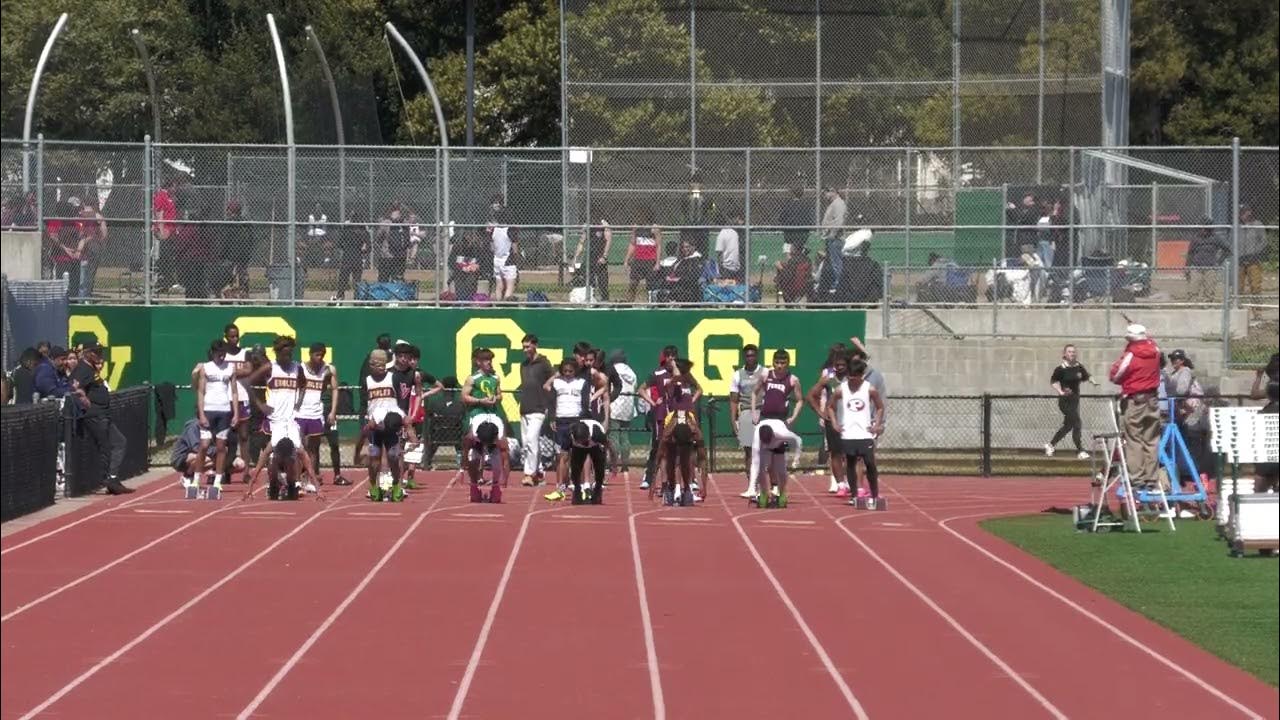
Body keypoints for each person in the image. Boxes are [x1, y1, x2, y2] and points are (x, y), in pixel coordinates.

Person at [244, 336, 317, 489]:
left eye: (290, 354)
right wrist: (260, 404)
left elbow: (304, 385)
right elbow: (248, 383)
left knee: (296, 452)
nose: (287, 358)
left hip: (290, 419)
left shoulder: (297, 368)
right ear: (277, 353)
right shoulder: (270, 367)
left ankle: (294, 482)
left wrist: (299, 403)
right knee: (271, 454)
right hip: (273, 418)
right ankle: (273, 482)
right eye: (284, 354)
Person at [69, 343, 134, 494]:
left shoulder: (91, 369)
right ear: (88, 354)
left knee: (119, 442)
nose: (100, 354)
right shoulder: (82, 369)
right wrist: (86, 402)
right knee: (106, 446)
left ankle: (112, 478)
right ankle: (108, 480)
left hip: (103, 414)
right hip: (95, 415)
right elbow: (75, 387)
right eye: (96, 352)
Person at [543, 356, 606, 501]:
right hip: (561, 420)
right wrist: (552, 417)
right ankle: (560, 489)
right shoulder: (557, 383)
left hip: (577, 420)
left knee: (583, 456)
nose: (567, 373)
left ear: (575, 371)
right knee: (562, 456)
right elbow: (551, 400)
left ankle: (585, 486)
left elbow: (599, 390)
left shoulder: (582, 383)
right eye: (564, 370)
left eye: (570, 371)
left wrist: (585, 417)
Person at [1108, 324, 1163, 490]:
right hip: (1153, 399)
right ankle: (1152, 478)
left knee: (1134, 440)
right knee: (1152, 440)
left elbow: (1115, 375)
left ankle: (1137, 478)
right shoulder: (1156, 350)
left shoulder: (1131, 354)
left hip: (1135, 399)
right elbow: (1153, 346)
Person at [827, 359, 886, 506]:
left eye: (855, 376)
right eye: (850, 376)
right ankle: (854, 495)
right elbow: (830, 407)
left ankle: (874, 494)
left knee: (870, 463)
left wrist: (876, 424)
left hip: (865, 433)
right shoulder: (842, 389)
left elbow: (880, 407)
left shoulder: (869, 389)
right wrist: (835, 423)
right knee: (851, 464)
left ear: (862, 375)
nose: (852, 379)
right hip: (848, 433)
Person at [194, 339, 240, 490]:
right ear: (213, 353)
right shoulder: (205, 368)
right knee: (204, 445)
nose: (222, 357)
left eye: (223, 354)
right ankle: (196, 479)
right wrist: (201, 413)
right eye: (219, 354)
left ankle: (218, 481)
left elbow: (234, 391)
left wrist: (236, 413)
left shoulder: (230, 368)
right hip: (208, 409)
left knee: (221, 447)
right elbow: (200, 391)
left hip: (224, 411)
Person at [363, 349, 406, 502]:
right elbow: (364, 404)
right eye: (377, 364)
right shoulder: (367, 380)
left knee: (393, 457)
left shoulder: (393, 378)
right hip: (374, 426)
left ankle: (396, 486)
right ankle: (374, 486)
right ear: (371, 365)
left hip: (390, 424)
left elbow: (402, 402)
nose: (381, 367)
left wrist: (401, 419)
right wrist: (366, 420)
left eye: (383, 364)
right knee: (374, 459)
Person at [806, 346, 849, 496]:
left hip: (850, 421)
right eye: (837, 365)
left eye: (843, 365)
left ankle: (851, 481)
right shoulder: (828, 380)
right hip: (833, 421)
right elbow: (810, 396)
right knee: (835, 453)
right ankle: (839, 483)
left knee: (850, 454)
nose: (840, 368)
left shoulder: (853, 379)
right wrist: (821, 413)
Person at [297, 342, 340, 486]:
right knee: (300, 448)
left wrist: (333, 412)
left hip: (316, 413)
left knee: (313, 448)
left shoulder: (327, 370)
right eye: (317, 354)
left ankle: (310, 479)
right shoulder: (301, 368)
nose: (320, 357)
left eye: (322, 355)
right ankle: (297, 480)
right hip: (300, 412)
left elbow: (335, 389)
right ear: (310, 354)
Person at [1046, 344, 1097, 460]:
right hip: (1065, 401)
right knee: (1077, 423)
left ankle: (1050, 445)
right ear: (1064, 354)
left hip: (1075, 401)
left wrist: (1093, 381)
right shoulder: (1061, 369)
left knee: (1068, 426)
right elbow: (1053, 381)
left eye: (1074, 352)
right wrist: (1060, 391)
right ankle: (1080, 450)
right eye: (1069, 352)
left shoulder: (1079, 367)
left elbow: (1086, 375)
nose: (1072, 354)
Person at [731, 344, 768, 497]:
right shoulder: (738, 375)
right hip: (746, 413)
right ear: (744, 357)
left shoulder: (765, 372)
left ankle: (766, 485)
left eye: (753, 355)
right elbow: (733, 399)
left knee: (764, 451)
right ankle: (751, 486)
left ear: (757, 356)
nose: (750, 358)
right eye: (748, 355)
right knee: (748, 451)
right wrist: (734, 421)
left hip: (763, 412)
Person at [517, 334, 554, 486]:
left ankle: (529, 474)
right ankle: (539, 472)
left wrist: (549, 405)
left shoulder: (544, 363)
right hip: (525, 407)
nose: (525, 350)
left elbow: (553, 380)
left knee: (532, 440)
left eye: (528, 346)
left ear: (535, 345)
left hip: (539, 408)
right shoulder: (523, 365)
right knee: (526, 443)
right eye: (523, 347)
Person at [171, 417, 246, 486]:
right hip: (182, 457)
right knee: (207, 458)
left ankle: (217, 474)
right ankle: (188, 475)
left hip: (210, 453)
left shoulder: (219, 426)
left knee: (240, 464)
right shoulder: (193, 427)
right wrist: (219, 451)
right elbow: (196, 447)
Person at [748, 421, 803, 508]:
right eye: (765, 441)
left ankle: (782, 492)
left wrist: (796, 460)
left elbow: (798, 440)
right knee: (761, 469)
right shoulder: (757, 440)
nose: (767, 443)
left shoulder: (782, 434)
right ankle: (764, 493)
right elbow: (755, 463)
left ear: (773, 435)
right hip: (764, 449)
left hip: (779, 445)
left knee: (781, 472)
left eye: (768, 441)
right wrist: (752, 487)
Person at [607, 349, 641, 484]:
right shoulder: (631, 372)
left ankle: (614, 463)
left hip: (614, 405)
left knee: (613, 436)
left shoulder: (612, 370)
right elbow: (634, 387)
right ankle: (625, 464)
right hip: (628, 407)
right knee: (625, 436)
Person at [463, 415, 509, 503]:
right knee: (472, 458)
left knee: (497, 462)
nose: (486, 446)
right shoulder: (471, 436)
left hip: (494, 443)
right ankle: (474, 487)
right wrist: (463, 468)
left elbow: (505, 460)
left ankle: (495, 487)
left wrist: (504, 479)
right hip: (477, 443)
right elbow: (465, 451)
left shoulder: (501, 438)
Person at [752, 349, 803, 426]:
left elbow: (800, 401)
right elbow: (754, 393)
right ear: (773, 362)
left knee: (795, 438)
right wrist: (754, 413)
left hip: (782, 420)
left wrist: (793, 417)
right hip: (764, 418)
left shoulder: (793, 379)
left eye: (783, 363)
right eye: (777, 362)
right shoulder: (765, 375)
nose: (779, 366)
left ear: (788, 363)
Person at [567, 419, 610, 505]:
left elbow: (609, 445)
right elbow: (565, 451)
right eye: (579, 441)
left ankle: (597, 491)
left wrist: (614, 463)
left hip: (595, 447)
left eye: (583, 441)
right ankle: (577, 490)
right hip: (578, 449)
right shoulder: (569, 434)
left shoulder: (597, 434)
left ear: (588, 436)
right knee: (575, 468)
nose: (582, 444)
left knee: (599, 467)